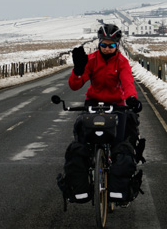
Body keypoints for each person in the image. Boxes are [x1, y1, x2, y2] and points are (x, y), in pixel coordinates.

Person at [57, 23, 145, 207]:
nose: (106, 48)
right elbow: (75, 85)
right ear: (98, 43)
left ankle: (117, 179)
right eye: (103, 44)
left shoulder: (122, 62)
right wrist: (78, 71)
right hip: (93, 103)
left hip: (117, 106)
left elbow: (128, 82)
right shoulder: (90, 60)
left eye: (111, 45)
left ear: (117, 45)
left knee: (120, 144)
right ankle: (88, 170)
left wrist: (131, 99)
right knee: (82, 141)